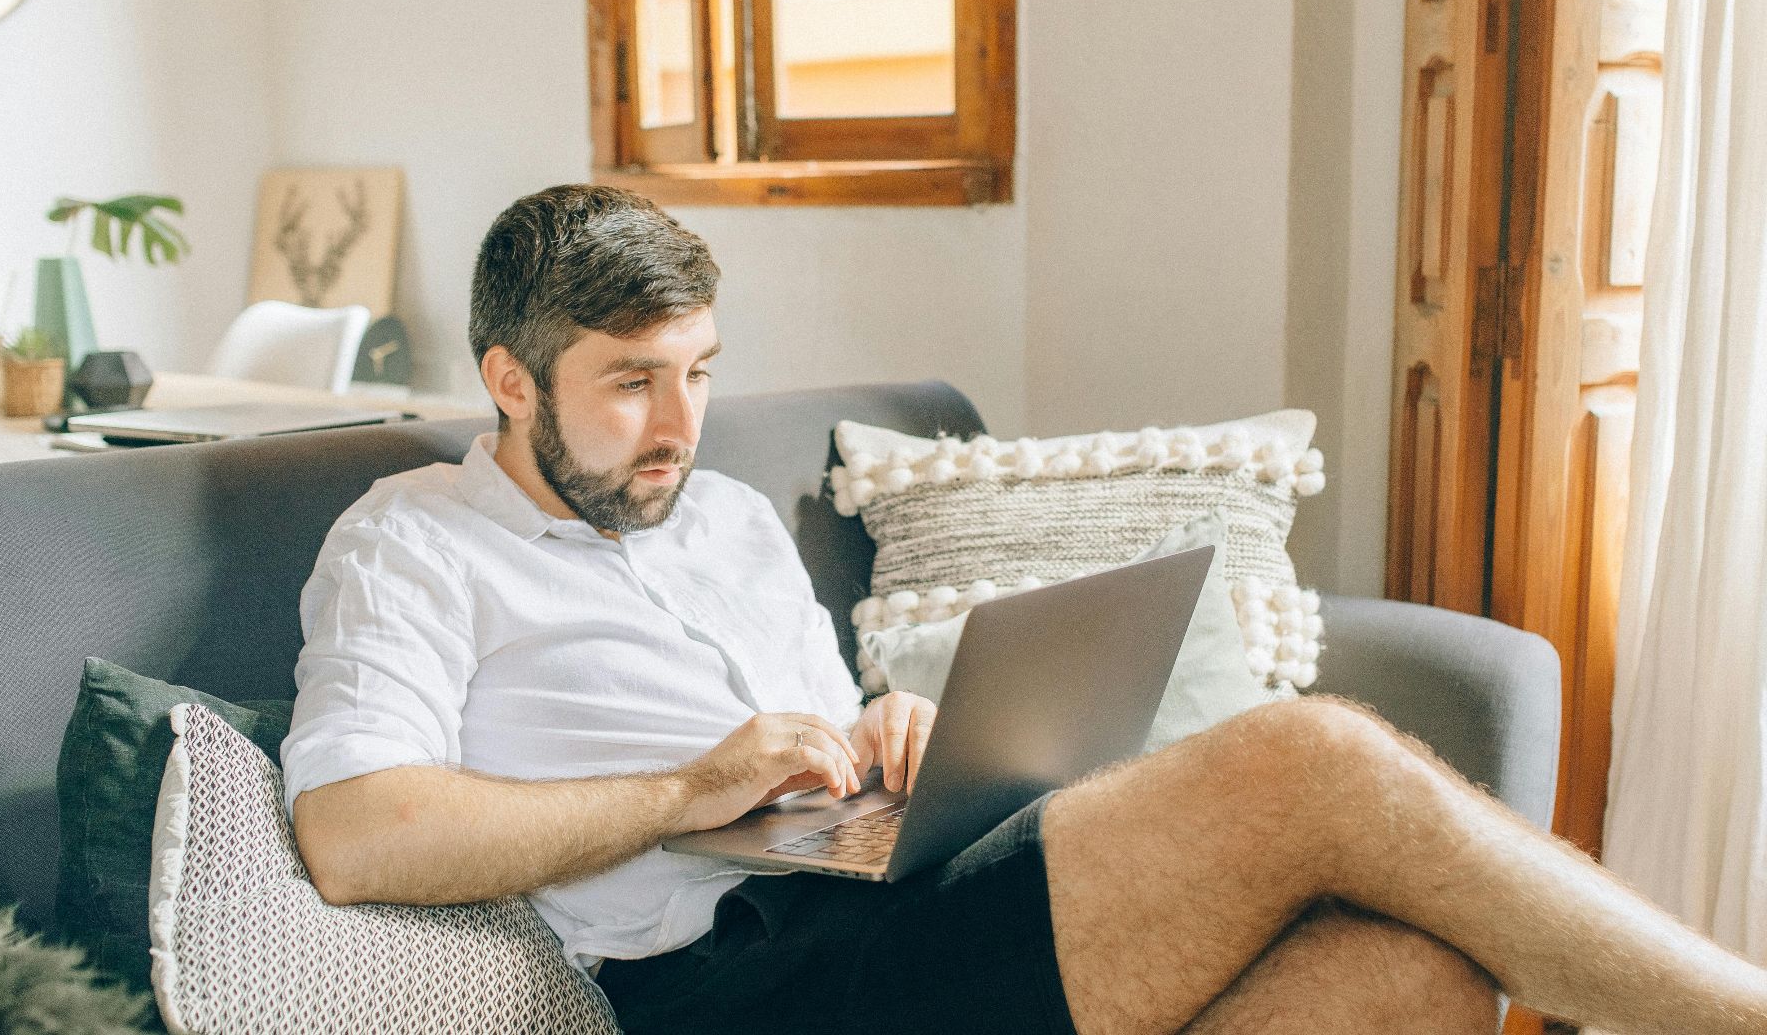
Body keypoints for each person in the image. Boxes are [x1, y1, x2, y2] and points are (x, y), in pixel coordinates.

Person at [281, 183, 1767, 1035]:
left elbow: (817, 747)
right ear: (510, 381)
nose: (681, 421)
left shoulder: (724, 519)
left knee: (1407, 975)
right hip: (711, 988)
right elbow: (355, 839)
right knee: (1317, 763)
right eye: (630, 383)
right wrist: (684, 789)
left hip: (879, 903)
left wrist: (882, 732)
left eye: (702, 370)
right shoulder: (411, 547)